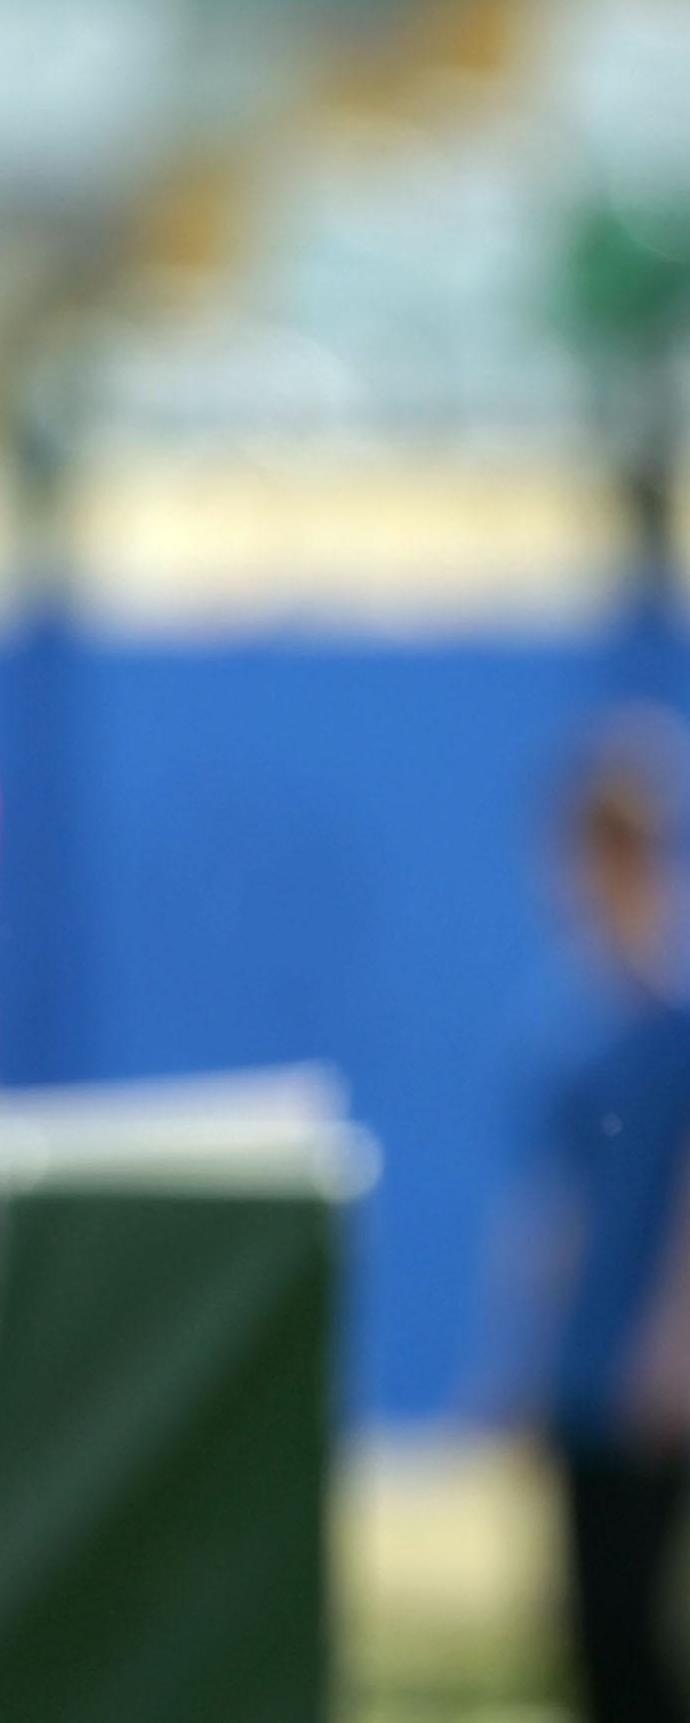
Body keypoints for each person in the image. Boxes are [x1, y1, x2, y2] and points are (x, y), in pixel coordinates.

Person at [509, 713, 690, 1723]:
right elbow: (555, 1208)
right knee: (583, 1634)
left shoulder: (679, 1018)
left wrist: (670, 1347)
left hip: (654, 1376)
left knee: (635, 1635)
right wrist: (527, 1360)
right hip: (584, 1370)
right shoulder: (568, 1021)